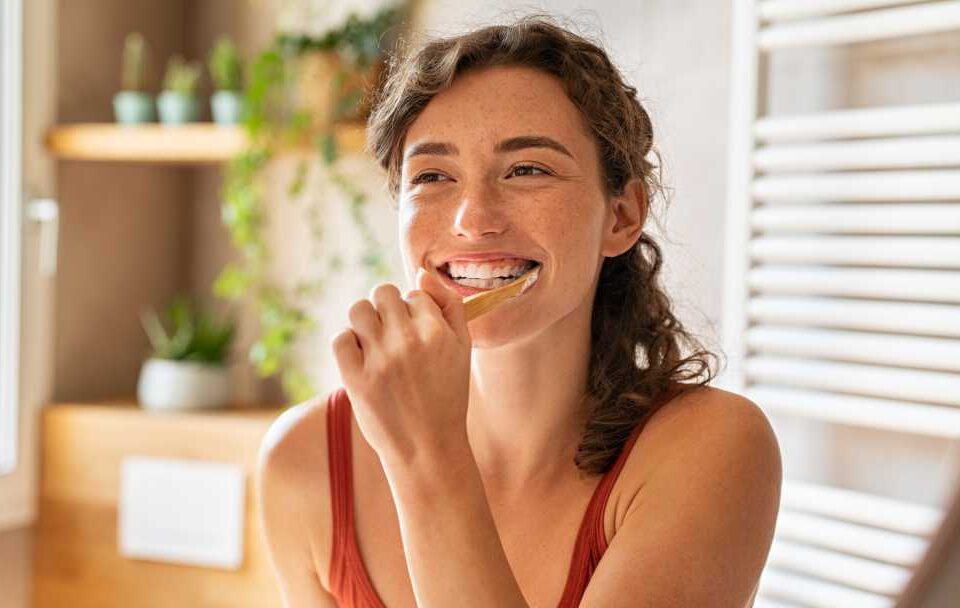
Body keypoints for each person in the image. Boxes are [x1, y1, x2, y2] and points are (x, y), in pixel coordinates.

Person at [256, 14, 781, 608]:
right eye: (432, 175)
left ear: (621, 217)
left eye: (527, 169)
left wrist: (426, 454)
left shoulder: (712, 450)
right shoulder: (305, 461)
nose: (473, 219)